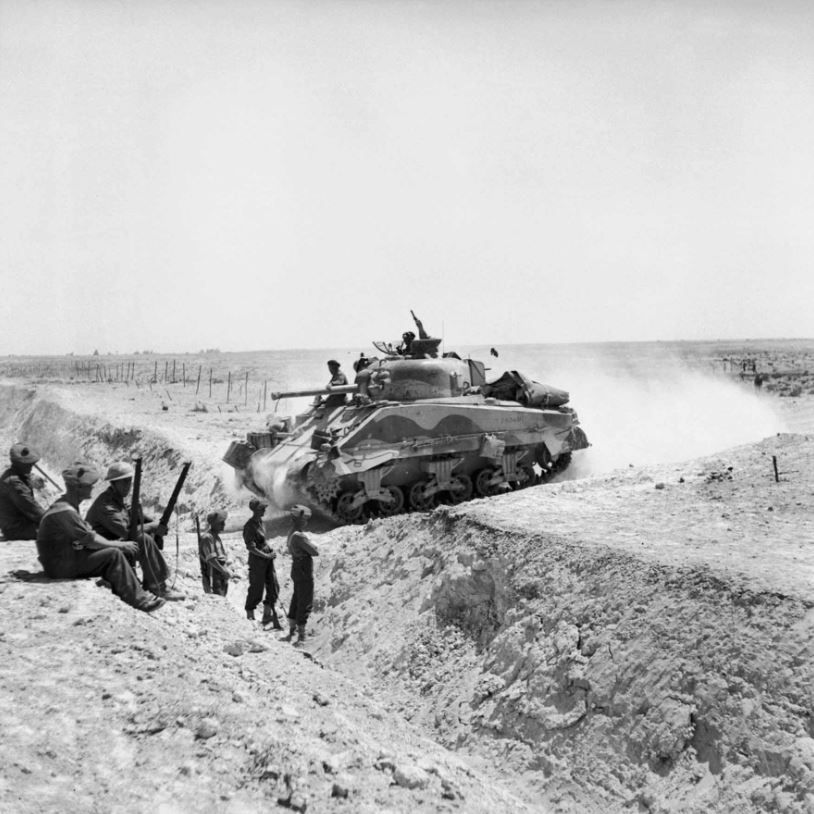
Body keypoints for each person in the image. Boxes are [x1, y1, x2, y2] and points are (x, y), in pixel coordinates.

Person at [35, 463, 164, 612]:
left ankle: (136, 588)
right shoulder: (65, 511)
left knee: (114, 550)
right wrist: (119, 545)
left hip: (63, 559)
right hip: (59, 566)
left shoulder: (67, 506)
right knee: (113, 554)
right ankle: (141, 601)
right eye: (89, 485)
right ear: (78, 488)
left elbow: (88, 535)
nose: (92, 488)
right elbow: (90, 539)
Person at [85, 461, 184, 601]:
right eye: (124, 482)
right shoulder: (106, 505)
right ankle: (157, 586)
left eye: (129, 481)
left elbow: (136, 516)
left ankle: (147, 581)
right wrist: (153, 526)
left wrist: (156, 524)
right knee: (143, 538)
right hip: (97, 552)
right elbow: (127, 532)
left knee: (147, 533)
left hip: (110, 547)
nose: (128, 485)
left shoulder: (118, 499)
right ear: (113, 483)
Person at [283, 504, 319, 646]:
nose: (306, 522)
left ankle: (292, 628)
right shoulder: (299, 536)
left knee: (297, 596)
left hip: (296, 567)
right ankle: (301, 635)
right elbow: (315, 551)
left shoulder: (291, 532)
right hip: (303, 568)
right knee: (305, 598)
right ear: (299, 520)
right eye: (304, 519)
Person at [243, 497, 281, 629]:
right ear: (256, 510)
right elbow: (251, 547)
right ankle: (250, 616)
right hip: (257, 561)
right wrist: (266, 555)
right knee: (256, 588)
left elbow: (262, 541)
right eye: (262, 508)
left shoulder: (260, 522)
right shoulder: (249, 526)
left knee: (274, 586)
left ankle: (267, 615)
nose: (265, 510)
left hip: (267, 559)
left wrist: (269, 550)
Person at [0, 443, 46, 540]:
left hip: (23, 524)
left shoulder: (16, 475)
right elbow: (32, 509)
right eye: (28, 464)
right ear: (18, 464)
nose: (31, 466)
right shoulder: (14, 483)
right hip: (16, 529)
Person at [198, 510, 232, 596]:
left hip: (220, 573)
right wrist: (223, 570)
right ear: (213, 524)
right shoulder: (207, 538)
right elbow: (211, 559)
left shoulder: (216, 537)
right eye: (221, 522)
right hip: (213, 574)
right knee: (217, 599)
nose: (223, 524)